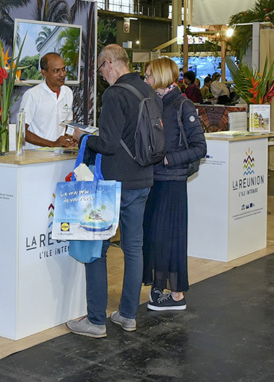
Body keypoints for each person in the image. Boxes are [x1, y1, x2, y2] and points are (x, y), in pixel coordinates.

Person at [66, 44, 161, 338]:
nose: (102, 75)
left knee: (98, 248)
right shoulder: (148, 90)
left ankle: (96, 321)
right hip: (143, 180)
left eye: (101, 69)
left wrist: (83, 137)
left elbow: (107, 144)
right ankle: (128, 316)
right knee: (133, 249)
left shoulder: (115, 94)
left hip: (113, 184)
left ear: (108, 63)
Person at [142, 58, 206, 311]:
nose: (146, 79)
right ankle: (159, 289)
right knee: (157, 238)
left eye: (149, 75)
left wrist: (169, 159)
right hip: (154, 180)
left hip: (172, 182)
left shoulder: (182, 105)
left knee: (171, 239)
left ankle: (177, 294)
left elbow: (200, 147)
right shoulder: (154, 103)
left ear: (160, 76)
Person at [20, 52, 77, 149]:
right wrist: (52, 144)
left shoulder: (68, 92)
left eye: (63, 69)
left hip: (59, 154)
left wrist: (69, 140)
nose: (62, 74)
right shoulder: (32, 95)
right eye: (56, 71)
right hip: (35, 155)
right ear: (44, 73)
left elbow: (67, 125)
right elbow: (21, 131)